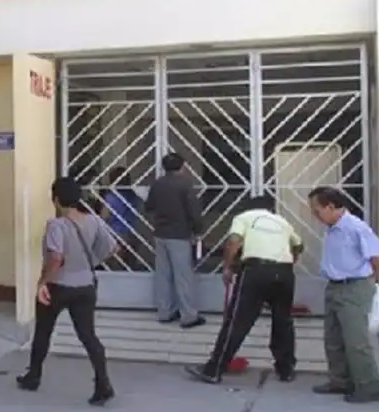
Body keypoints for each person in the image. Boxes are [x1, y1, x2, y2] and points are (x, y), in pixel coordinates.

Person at [16, 177, 118, 406]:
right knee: (88, 336)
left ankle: (33, 376)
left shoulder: (56, 225)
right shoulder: (94, 221)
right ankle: (103, 383)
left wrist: (42, 282)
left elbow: (56, 258)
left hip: (58, 286)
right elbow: (113, 247)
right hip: (86, 286)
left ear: (56, 199)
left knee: (43, 331)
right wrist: (89, 261)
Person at [185, 195, 304, 384]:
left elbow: (233, 242)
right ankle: (286, 369)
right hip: (284, 272)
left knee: (237, 321)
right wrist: (288, 263)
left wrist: (228, 267)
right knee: (283, 321)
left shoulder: (244, 218)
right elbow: (298, 245)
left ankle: (214, 369)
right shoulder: (282, 222)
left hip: (255, 271)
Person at [308, 186, 379, 403]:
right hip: (334, 286)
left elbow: (378, 259)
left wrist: (373, 285)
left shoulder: (356, 227)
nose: (314, 215)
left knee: (356, 339)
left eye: (317, 210)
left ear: (331, 207)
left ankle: (369, 384)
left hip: (355, 287)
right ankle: (340, 380)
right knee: (333, 338)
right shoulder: (332, 229)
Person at [144, 153, 206, 328]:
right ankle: (188, 315)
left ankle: (165, 312)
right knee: (183, 276)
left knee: (163, 275)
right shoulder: (185, 185)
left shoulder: (157, 184)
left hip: (160, 234)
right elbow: (194, 211)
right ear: (182, 166)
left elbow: (149, 206)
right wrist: (198, 230)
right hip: (179, 235)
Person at [100, 167, 142, 269]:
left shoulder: (111, 196)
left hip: (115, 234)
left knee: (115, 267)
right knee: (131, 266)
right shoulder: (134, 195)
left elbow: (104, 216)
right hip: (132, 232)